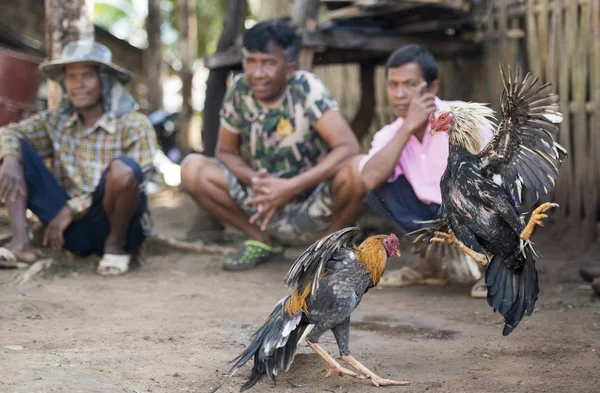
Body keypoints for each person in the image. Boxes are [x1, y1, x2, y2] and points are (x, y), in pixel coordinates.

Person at [181, 20, 364, 271]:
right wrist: (257, 181)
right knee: (193, 169)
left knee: (358, 169)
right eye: (251, 61)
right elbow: (225, 152)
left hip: (312, 204)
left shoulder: (305, 87)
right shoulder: (239, 90)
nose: (257, 73)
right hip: (262, 204)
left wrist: (291, 187)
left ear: (289, 68)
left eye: (268, 63)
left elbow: (348, 147)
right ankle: (262, 241)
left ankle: (326, 250)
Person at [0, 41, 158, 276]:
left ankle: (114, 248)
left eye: (87, 75)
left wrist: (71, 209)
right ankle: (21, 244)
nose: (78, 84)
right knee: (12, 149)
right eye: (72, 76)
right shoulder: (56, 121)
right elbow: (8, 132)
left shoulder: (134, 124)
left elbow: (141, 177)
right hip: (68, 231)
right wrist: (10, 158)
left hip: (119, 227)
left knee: (123, 170)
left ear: (104, 80)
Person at [358, 44, 492, 297]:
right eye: (393, 85)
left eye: (409, 84)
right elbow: (369, 179)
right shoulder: (391, 133)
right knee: (380, 186)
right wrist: (408, 127)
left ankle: (496, 267)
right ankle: (431, 266)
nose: (399, 94)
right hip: (435, 219)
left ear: (432, 89)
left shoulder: (461, 118)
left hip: (474, 210)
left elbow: (493, 180)